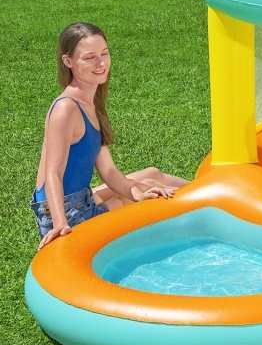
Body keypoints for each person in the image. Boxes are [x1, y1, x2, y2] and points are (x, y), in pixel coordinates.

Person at [32, 22, 188, 250]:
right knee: (149, 191)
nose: (101, 63)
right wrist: (60, 224)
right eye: (90, 57)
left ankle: (206, 190)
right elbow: (52, 173)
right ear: (68, 61)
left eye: (104, 54)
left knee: (151, 177)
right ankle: (205, 207)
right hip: (64, 211)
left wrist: (136, 193)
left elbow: (109, 172)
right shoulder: (66, 109)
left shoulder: (90, 102)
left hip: (81, 197)